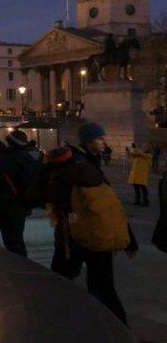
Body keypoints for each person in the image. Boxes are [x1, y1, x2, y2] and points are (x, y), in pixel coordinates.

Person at [27, 123, 138, 325]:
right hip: (83, 233)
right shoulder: (79, 167)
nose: (105, 142)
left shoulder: (79, 164)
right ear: (88, 142)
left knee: (67, 281)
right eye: (100, 139)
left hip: (77, 233)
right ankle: (117, 328)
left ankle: (65, 322)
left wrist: (44, 169)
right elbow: (110, 203)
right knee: (98, 286)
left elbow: (37, 195)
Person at [0, 130, 40, 257]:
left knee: (12, 242)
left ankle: (20, 269)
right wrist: (1, 147)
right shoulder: (30, 156)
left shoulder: (9, 160)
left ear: (11, 143)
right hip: (23, 203)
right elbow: (12, 155)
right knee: (17, 237)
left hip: (7, 205)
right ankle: (21, 266)